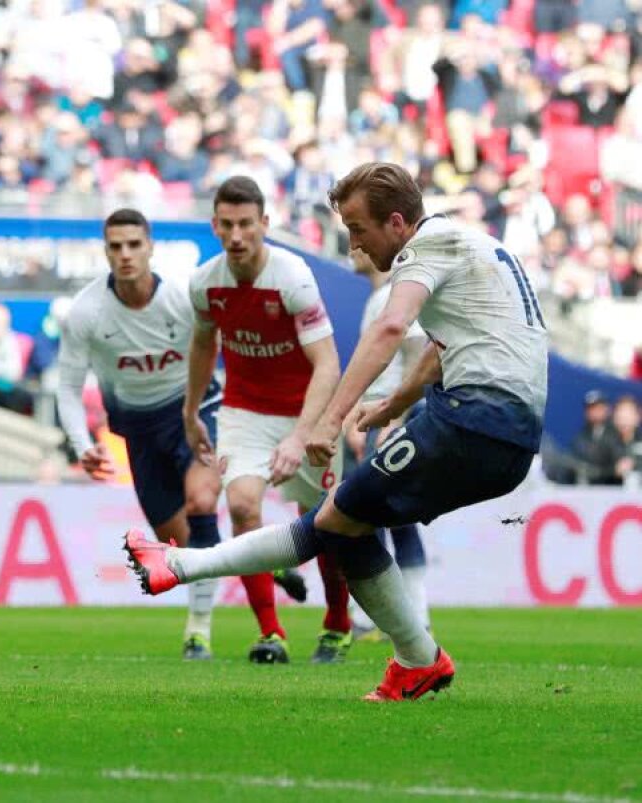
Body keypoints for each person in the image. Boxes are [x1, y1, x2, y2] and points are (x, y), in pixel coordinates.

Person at [127, 162, 549, 701]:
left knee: (336, 518)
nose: (353, 246)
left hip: (472, 419)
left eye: (357, 229)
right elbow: (442, 348)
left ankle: (183, 564)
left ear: (396, 223)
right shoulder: (475, 247)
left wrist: (330, 420)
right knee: (343, 520)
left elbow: (391, 327)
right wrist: (396, 402)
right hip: (512, 437)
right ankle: (415, 659)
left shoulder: (425, 249)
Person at [183, 177, 350, 665]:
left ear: (265, 224)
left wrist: (301, 436)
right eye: (227, 225)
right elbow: (203, 345)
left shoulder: (293, 277)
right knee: (241, 505)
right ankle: (271, 633)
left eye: (246, 224)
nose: (237, 235)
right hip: (245, 411)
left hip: (308, 412)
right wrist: (191, 410)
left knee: (325, 525)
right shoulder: (205, 283)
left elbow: (328, 364)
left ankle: (337, 624)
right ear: (215, 226)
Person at [56, 208, 224, 660]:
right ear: (106, 252)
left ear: (150, 247)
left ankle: (198, 631)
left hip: (193, 409)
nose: (126, 254)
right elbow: (68, 388)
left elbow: (217, 348)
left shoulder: (182, 298)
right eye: (116, 247)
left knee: (202, 502)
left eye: (134, 245)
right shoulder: (87, 312)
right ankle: (257, 564)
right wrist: (82, 445)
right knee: (181, 544)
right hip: (139, 430)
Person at [347, 242, 432, 639]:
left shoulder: (397, 295)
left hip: (393, 416)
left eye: (359, 239)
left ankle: (377, 616)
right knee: (392, 517)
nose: (352, 248)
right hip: (379, 414)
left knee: (372, 515)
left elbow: (416, 355)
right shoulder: (380, 297)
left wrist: (396, 418)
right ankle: (411, 614)